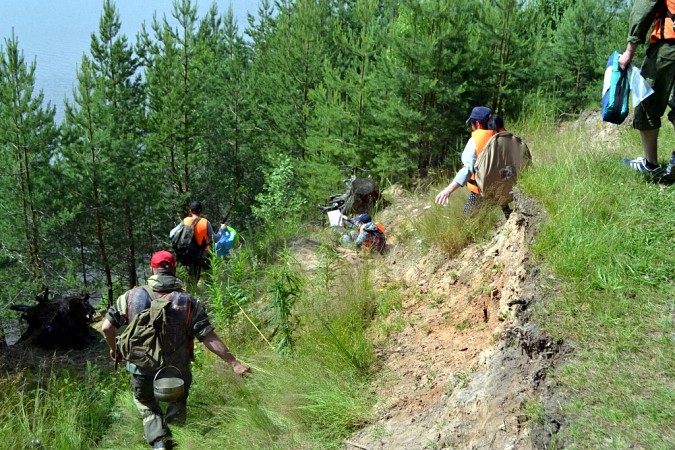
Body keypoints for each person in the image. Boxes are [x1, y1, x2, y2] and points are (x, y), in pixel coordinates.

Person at [101, 250, 250, 450]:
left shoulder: (130, 297)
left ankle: (159, 442)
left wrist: (115, 350)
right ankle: (176, 440)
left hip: (141, 369)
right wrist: (234, 363)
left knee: (146, 404)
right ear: (173, 269)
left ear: (151, 269)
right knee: (177, 406)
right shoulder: (188, 301)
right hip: (176, 372)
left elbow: (106, 328)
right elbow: (208, 336)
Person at [618, 0, 675, 180]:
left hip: (668, 47)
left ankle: (650, 164)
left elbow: (644, 8)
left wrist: (630, 50)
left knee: (646, 100)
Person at [434, 106, 511, 216]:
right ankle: (509, 215)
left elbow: (467, 169)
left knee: (467, 221)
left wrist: (448, 190)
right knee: (507, 213)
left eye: (472, 123)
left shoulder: (474, 142)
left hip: (481, 191)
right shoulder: (504, 136)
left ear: (478, 124)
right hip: (505, 186)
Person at [169, 201, 226, 277]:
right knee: (210, 276)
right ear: (201, 211)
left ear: (190, 211)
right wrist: (222, 229)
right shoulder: (205, 222)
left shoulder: (185, 220)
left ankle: (192, 287)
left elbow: (171, 234)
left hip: (188, 253)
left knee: (193, 278)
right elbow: (215, 239)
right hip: (202, 255)